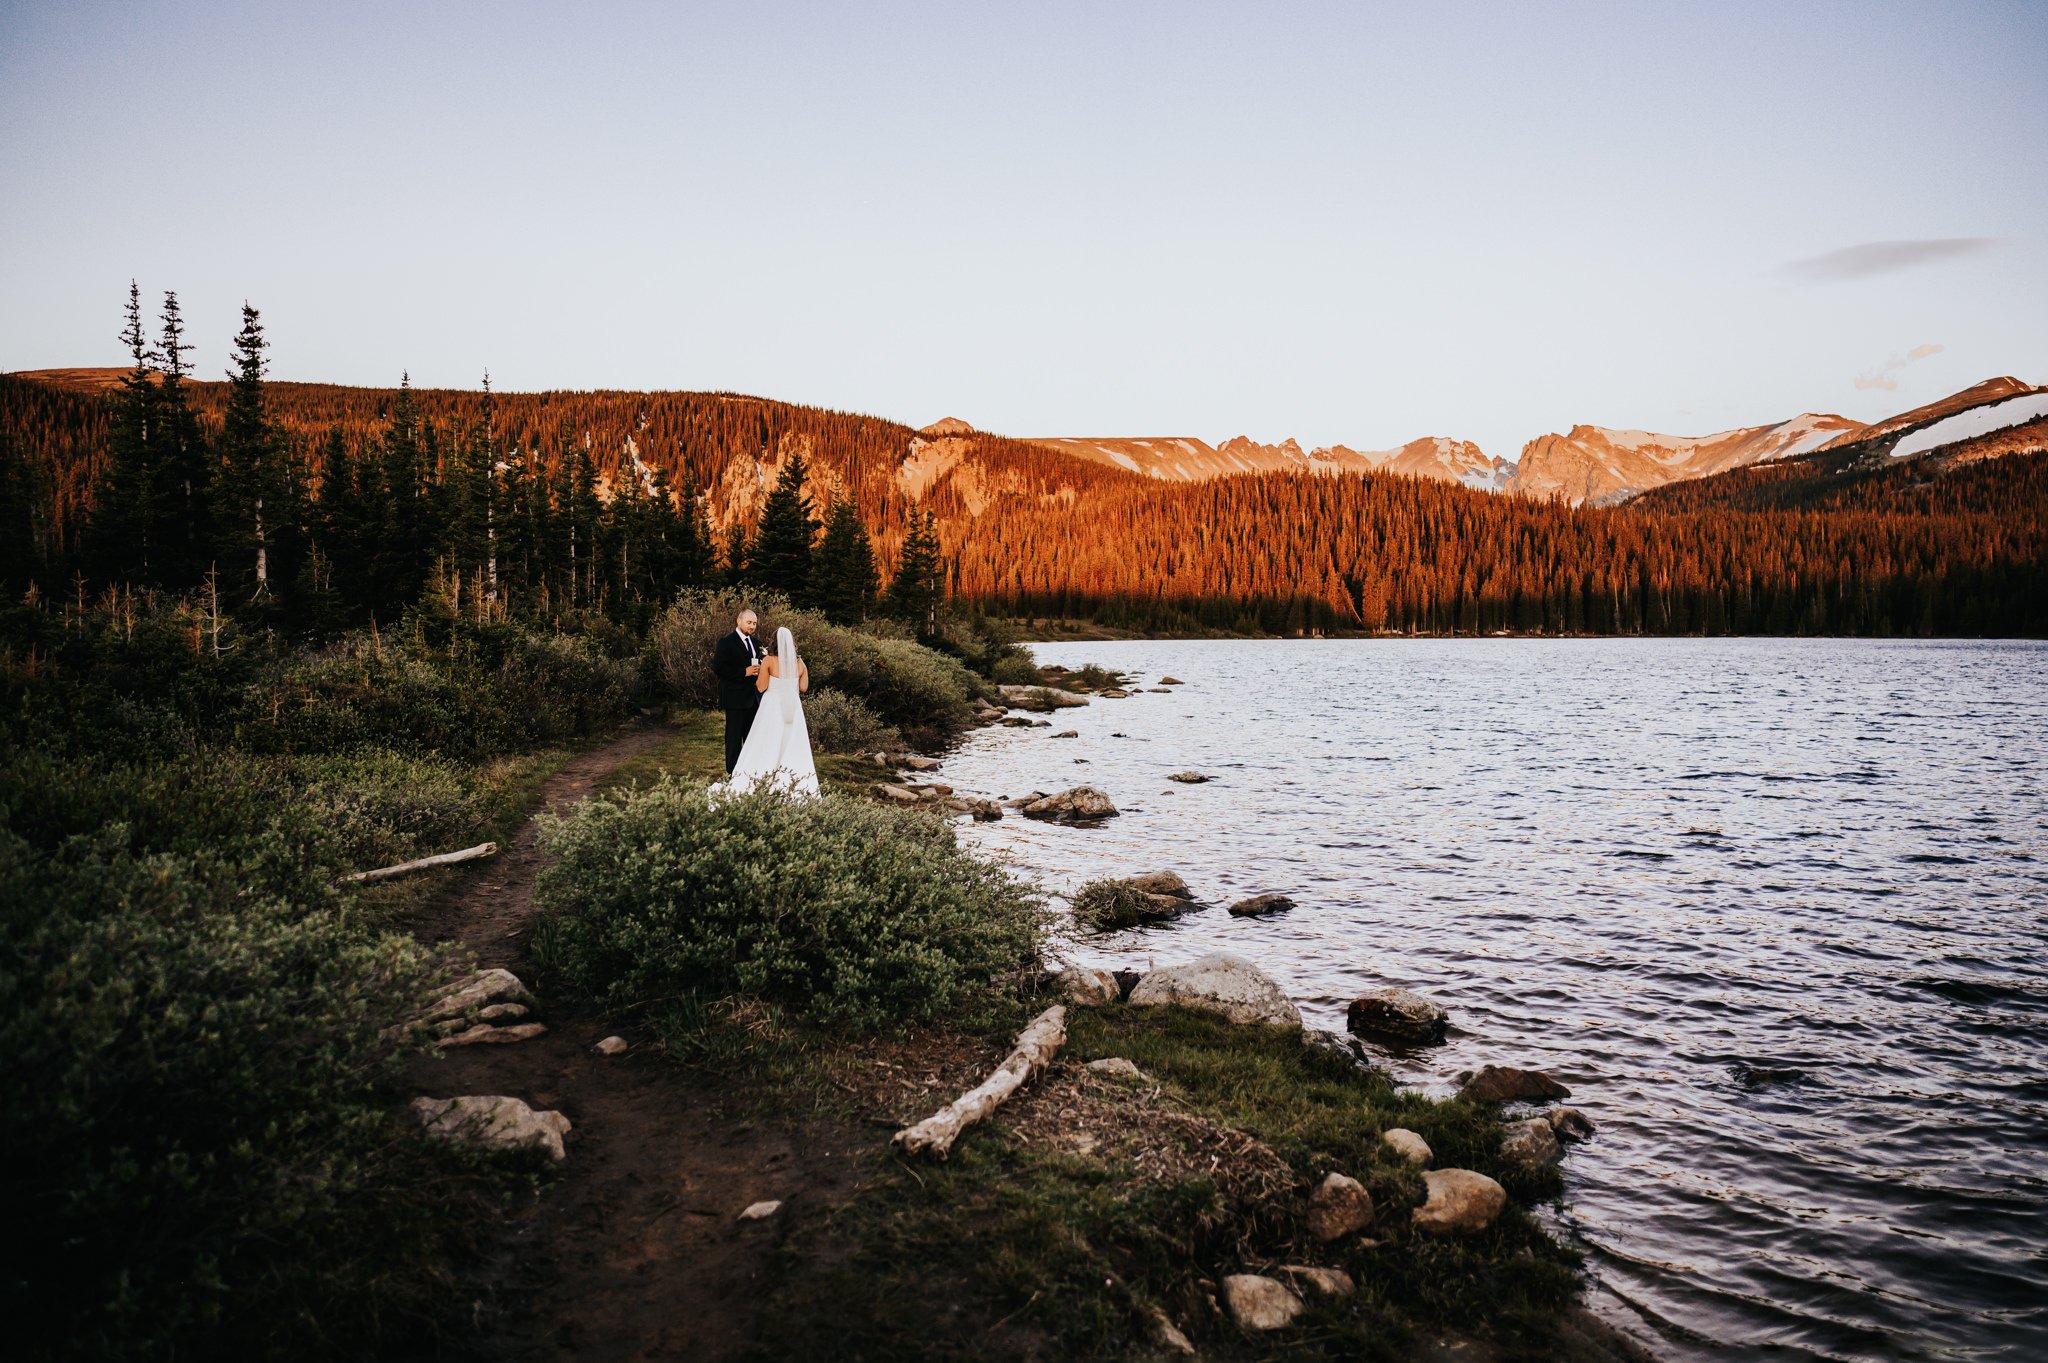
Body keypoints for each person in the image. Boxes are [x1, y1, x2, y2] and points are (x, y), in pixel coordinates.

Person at [725, 626, 818, 796]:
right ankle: (791, 782)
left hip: (773, 707)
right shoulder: (800, 663)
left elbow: (761, 687)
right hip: (793, 709)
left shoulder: (769, 660)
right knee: (791, 743)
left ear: (773, 643)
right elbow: (804, 687)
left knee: (767, 741)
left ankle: (763, 777)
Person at [712, 608, 765, 774]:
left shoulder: (757, 643)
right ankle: (733, 774)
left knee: (751, 739)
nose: (752, 626)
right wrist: (744, 672)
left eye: (754, 623)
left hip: (753, 699)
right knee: (734, 740)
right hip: (734, 698)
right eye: (749, 622)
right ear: (739, 621)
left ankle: (749, 773)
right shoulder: (726, 642)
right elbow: (719, 668)